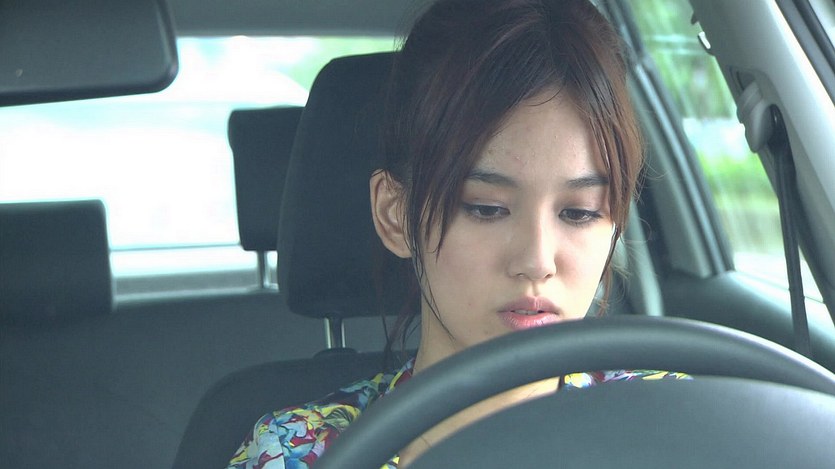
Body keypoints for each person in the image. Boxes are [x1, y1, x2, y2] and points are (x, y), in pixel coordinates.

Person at [227, 0, 688, 467]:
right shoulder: (298, 454)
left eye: (580, 212)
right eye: (487, 209)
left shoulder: (684, 420)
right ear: (395, 215)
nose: (537, 260)